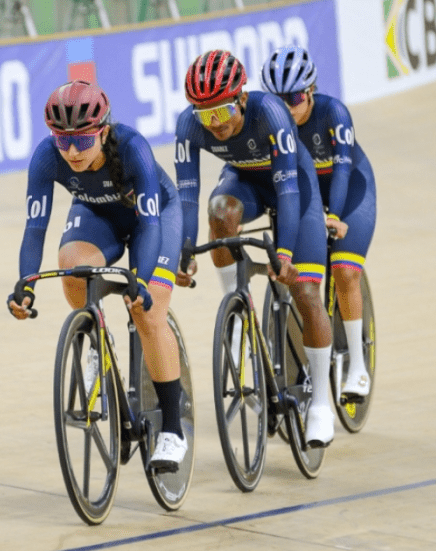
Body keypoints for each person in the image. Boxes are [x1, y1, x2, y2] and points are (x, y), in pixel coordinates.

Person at [8, 80, 189, 470]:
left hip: (155, 218)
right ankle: (95, 344)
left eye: (83, 141)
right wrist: (26, 282)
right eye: (63, 141)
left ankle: (173, 430)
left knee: (148, 311)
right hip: (96, 214)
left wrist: (139, 279)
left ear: (103, 131)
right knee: (73, 269)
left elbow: (150, 224)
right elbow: (35, 226)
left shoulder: (132, 147)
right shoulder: (46, 157)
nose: (72, 151)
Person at [174, 50, 335, 446]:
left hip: (294, 185)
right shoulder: (188, 126)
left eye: (222, 111)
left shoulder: (272, 115)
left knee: (307, 291)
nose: (215, 125)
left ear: (242, 98)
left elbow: (287, 189)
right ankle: (236, 304)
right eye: (204, 115)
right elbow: (187, 195)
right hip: (244, 181)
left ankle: (322, 405)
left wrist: (283, 254)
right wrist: (184, 248)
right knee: (219, 209)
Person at [262, 45, 377, 398]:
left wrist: (336, 216)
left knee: (344, 271)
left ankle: (357, 367)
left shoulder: (334, 113)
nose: (288, 107)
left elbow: (342, 168)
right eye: (278, 99)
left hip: (350, 191)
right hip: (306, 195)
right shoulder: (270, 123)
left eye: (295, 97)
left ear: (311, 90)